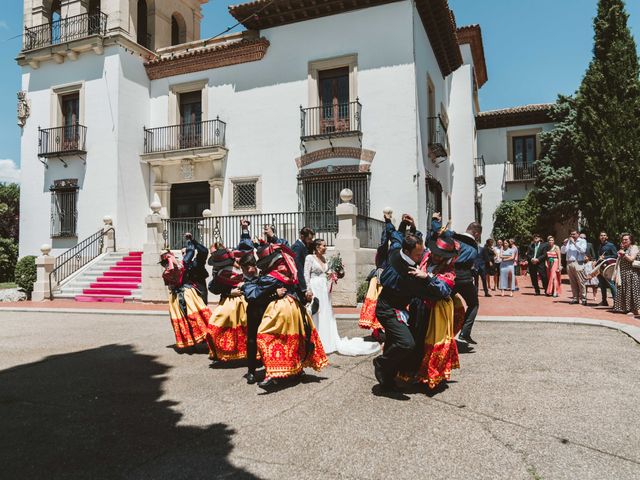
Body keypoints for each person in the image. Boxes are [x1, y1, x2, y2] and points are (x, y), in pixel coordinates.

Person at [372, 233, 452, 393]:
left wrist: (428, 278)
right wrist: (427, 279)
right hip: (390, 309)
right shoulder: (406, 273)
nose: (426, 255)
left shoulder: (398, 253)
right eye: (418, 253)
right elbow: (426, 291)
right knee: (406, 343)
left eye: (423, 252)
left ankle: (387, 381)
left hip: (412, 310)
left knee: (395, 342)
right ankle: (383, 364)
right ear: (407, 252)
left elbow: (395, 239)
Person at [244, 243, 328, 390]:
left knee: (267, 338)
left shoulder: (272, 276)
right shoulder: (288, 270)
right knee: (293, 340)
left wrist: (243, 287)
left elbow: (255, 293)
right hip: (294, 308)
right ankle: (296, 369)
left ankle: (272, 374)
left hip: (280, 310)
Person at [400, 235, 460, 389]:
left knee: (428, 342)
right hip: (417, 304)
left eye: (439, 255)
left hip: (434, 311)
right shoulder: (426, 257)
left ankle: (426, 375)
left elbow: (444, 289)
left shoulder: (450, 271)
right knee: (413, 338)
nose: (434, 255)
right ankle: (409, 372)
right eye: (434, 252)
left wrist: (427, 277)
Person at [305, 238, 380, 356]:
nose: (325, 248)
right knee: (316, 313)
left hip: (325, 290)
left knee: (326, 314)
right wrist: (308, 290)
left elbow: (328, 273)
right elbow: (306, 275)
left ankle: (326, 341)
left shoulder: (325, 259)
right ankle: (315, 341)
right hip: (315, 288)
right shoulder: (309, 258)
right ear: (317, 247)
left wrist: (333, 275)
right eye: (324, 246)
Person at [431, 215, 482, 345]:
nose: (478, 237)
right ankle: (465, 333)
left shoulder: (453, 236)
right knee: (473, 304)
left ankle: (438, 332)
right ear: (476, 233)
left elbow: (438, 230)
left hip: (449, 276)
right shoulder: (474, 247)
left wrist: (435, 219)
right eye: (478, 235)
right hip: (464, 278)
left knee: (441, 303)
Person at [160, 250, 211, 353]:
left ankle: (198, 341)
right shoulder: (172, 270)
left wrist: (172, 260)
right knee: (192, 317)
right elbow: (175, 271)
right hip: (186, 294)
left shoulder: (167, 272)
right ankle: (198, 340)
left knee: (193, 317)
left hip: (179, 296)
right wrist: (172, 260)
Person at [206, 247, 248, 362]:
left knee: (216, 325)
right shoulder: (241, 268)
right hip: (240, 301)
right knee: (240, 328)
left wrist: (228, 292)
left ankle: (222, 353)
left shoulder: (223, 272)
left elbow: (214, 288)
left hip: (230, 302)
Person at [612, 233, 640, 316]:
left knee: (633, 291)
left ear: (631, 240)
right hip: (624, 273)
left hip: (631, 273)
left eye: (626, 239)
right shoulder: (625, 248)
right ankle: (628, 309)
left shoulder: (634, 247)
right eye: (623, 240)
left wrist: (623, 254)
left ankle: (636, 310)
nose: (624, 241)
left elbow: (631, 259)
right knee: (626, 291)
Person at [561, 230, 587, 305]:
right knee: (573, 282)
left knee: (581, 281)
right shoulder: (569, 242)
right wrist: (564, 244)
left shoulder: (582, 241)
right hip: (569, 263)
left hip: (578, 262)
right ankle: (575, 298)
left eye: (574, 234)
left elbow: (583, 250)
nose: (572, 235)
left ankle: (584, 299)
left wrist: (574, 243)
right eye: (571, 234)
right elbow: (563, 251)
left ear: (578, 234)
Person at [182, 232, 210, 304]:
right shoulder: (182, 265)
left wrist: (193, 241)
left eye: (186, 252)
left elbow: (204, 251)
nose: (185, 254)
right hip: (188, 295)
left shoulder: (198, 263)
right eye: (183, 253)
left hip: (200, 291)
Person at [291, 227, 315, 303]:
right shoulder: (297, 247)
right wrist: (304, 287)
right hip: (300, 284)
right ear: (302, 236)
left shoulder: (305, 246)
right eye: (309, 239)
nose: (311, 241)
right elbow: (298, 267)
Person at [597, 231, 618, 306]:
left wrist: (605, 257)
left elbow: (615, 255)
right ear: (599, 237)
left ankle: (616, 302)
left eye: (604, 235)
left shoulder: (611, 245)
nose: (603, 236)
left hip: (609, 268)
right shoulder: (600, 245)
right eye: (601, 235)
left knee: (611, 284)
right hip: (601, 267)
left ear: (607, 237)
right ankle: (604, 301)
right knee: (602, 284)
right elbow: (599, 257)